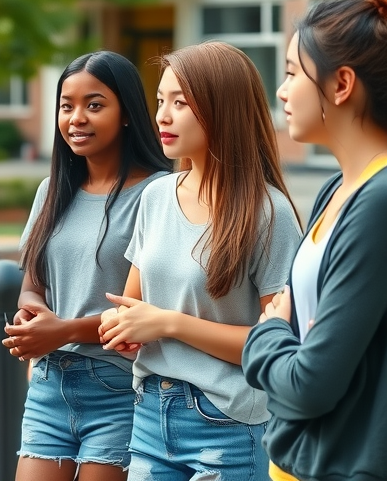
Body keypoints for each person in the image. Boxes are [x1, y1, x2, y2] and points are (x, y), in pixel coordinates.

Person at [98, 41, 301, 480]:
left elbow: (280, 347)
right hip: (151, 414)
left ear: (221, 110)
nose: (162, 117)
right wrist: (121, 328)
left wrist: (168, 323)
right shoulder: (154, 197)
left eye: (180, 103)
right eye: (159, 101)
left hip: (228, 425)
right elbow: (132, 308)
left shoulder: (269, 213)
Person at [242, 0, 387, 481]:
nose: (280, 91)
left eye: (290, 73)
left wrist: (265, 337)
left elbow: (310, 383)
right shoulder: (335, 190)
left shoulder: (378, 202)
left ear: (341, 84)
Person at [3, 51, 171, 481]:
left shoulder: (158, 193)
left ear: (128, 114)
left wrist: (60, 330)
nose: (76, 118)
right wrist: (31, 311)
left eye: (95, 105)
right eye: (66, 106)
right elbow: (32, 281)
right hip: (49, 382)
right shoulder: (53, 189)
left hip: (118, 386)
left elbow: (143, 309)